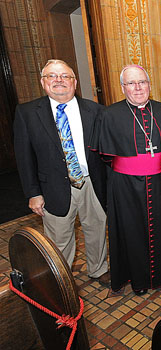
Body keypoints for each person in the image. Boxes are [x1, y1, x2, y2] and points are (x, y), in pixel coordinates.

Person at [13, 59, 109, 285]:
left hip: (92, 183)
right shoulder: (27, 113)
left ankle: (98, 269)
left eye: (65, 76)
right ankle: (61, 282)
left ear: (74, 82)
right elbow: (24, 158)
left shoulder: (95, 110)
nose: (59, 80)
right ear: (43, 82)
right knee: (59, 239)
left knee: (96, 229)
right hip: (53, 187)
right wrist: (33, 193)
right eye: (52, 76)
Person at [94, 65, 161, 296]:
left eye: (142, 82)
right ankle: (138, 279)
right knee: (132, 231)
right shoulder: (110, 115)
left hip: (159, 182)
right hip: (126, 187)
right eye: (131, 83)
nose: (138, 87)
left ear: (149, 85)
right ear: (123, 87)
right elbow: (104, 157)